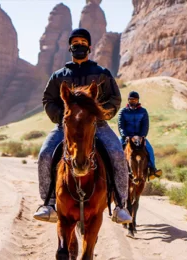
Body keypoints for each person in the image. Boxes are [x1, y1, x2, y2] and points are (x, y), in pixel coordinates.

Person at [33, 28, 132, 224]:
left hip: (98, 126)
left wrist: (97, 116)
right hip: (66, 127)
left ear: (89, 46)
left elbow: (114, 99)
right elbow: (48, 100)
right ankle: (49, 203)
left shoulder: (101, 73)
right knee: (45, 155)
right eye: (75, 42)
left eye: (83, 42)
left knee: (117, 155)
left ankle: (121, 205)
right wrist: (65, 117)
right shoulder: (59, 76)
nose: (79, 45)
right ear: (70, 47)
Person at [118, 91, 162, 179]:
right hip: (126, 137)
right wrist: (125, 136)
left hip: (140, 137)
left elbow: (145, 125)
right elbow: (120, 125)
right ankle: (114, 169)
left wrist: (142, 136)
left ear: (138, 100)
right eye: (131, 99)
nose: (133, 101)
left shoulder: (143, 111)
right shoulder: (123, 111)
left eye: (135, 99)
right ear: (128, 100)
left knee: (149, 149)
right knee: (116, 149)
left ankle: (152, 169)